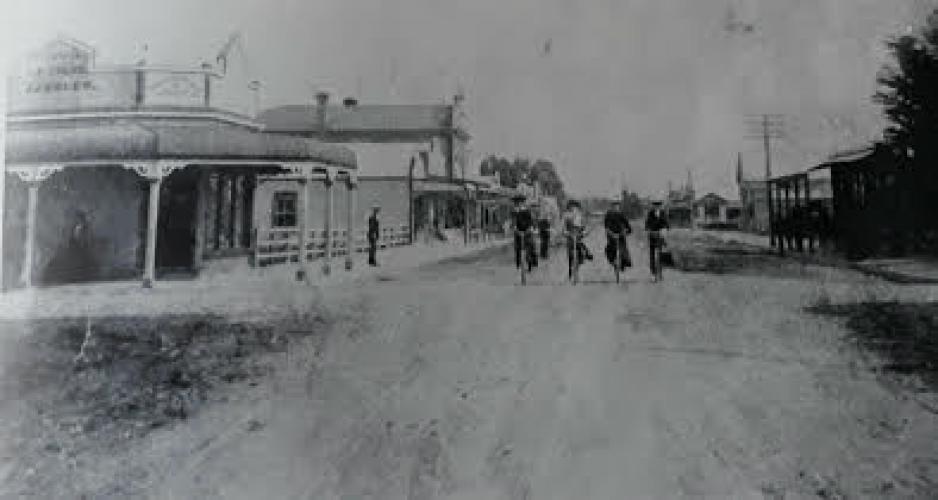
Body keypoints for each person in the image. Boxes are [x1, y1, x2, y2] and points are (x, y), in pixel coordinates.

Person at [562, 199, 593, 278]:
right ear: (569, 207)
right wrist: (565, 232)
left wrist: (585, 232)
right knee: (570, 253)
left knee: (581, 249)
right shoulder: (566, 216)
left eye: (575, 207)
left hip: (578, 236)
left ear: (577, 208)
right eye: (572, 207)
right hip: (570, 237)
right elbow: (563, 227)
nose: (573, 208)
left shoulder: (580, 217)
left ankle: (585, 256)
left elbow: (584, 227)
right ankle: (570, 268)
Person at [603, 200, 632, 271]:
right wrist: (610, 233)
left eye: (617, 205)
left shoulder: (621, 215)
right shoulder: (608, 215)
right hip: (611, 235)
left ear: (619, 206)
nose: (616, 207)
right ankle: (613, 262)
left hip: (620, 235)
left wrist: (626, 231)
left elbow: (628, 226)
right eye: (614, 205)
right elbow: (606, 226)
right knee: (609, 249)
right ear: (611, 206)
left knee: (623, 248)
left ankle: (624, 263)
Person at [511, 195, 537, 270]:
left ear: (523, 202)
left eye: (520, 202)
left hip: (527, 231)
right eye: (516, 202)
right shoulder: (514, 212)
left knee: (530, 246)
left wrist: (531, 228)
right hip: (518, 231)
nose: (518, 204)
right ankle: (518, 265)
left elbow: (531, 221)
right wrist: (514, 228)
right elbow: (513, 222)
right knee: (517, 248)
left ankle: (531, 263)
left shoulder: (528, 211)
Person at [645, 200, 669, 279]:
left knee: (661, 254)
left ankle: (660, 272)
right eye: (655, 205)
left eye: (658, 205)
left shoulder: (663, 213)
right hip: (652, 234)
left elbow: (666, 224)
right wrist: (649, 230)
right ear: (653, 206)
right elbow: (647, 224)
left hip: (660, 235)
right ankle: (653, 273)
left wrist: (664, 229)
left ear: (660, 205)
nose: (657, 206)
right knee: (652, 254)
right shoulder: (650, 213)